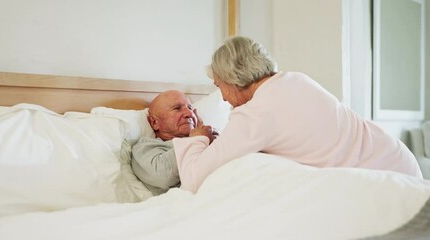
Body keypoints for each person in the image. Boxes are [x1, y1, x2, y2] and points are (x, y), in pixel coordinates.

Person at [172, 36, 423, 193]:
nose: (224, 98)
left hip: (386, 181)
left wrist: (197, 138)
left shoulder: (254, 115)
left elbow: (193, 180)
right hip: (400, 161)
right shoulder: (296, 80)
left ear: (233, 79)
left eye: (219, 86)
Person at [131, 90, 216, 195]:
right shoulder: (145, 146)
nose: (189, 113)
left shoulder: (209, 136)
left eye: (190, 108)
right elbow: (162, 176)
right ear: (154, 122)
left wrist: (213, 139)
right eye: (177, 108)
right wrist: (198, 139)